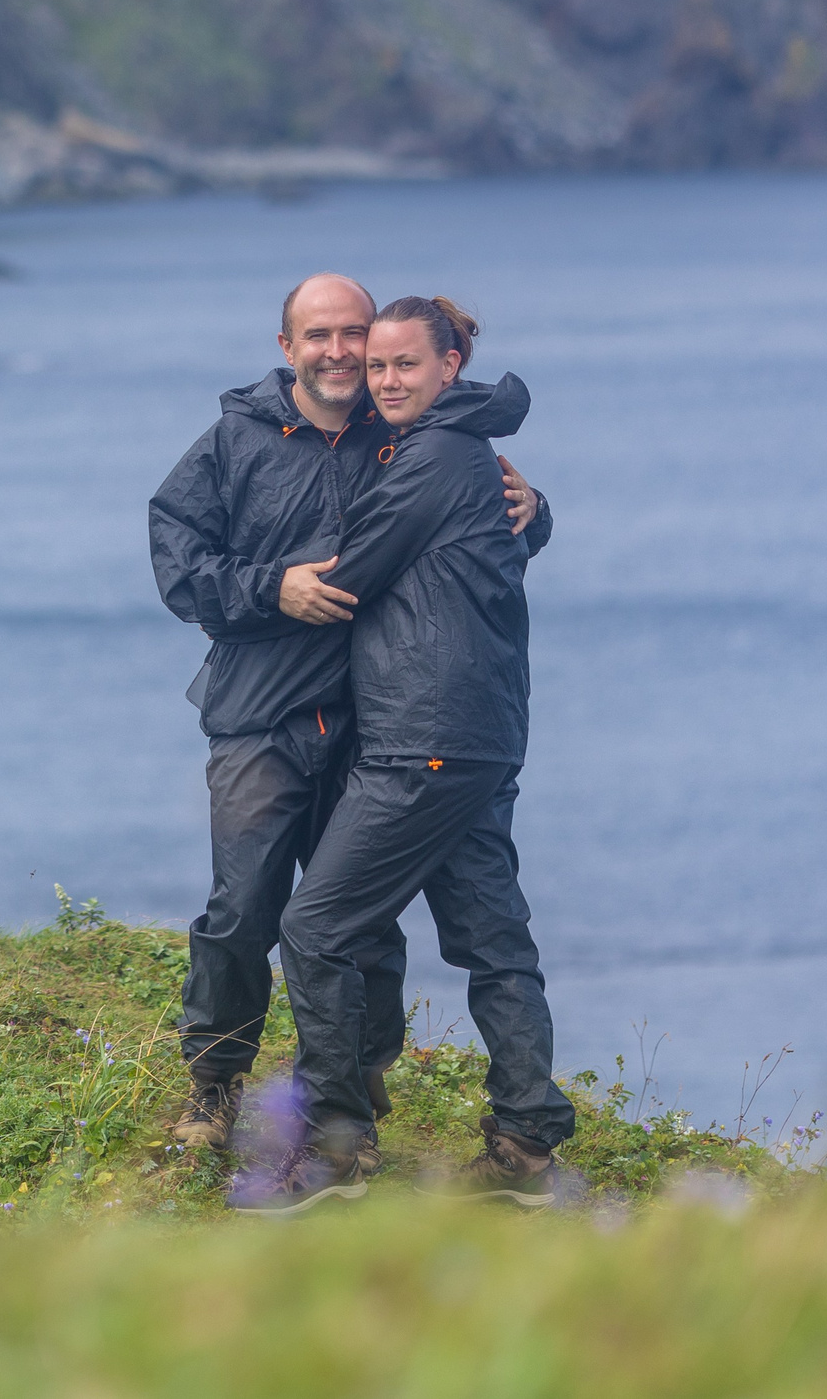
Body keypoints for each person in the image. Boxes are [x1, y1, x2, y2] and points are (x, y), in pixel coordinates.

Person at [149, 276, 537, 1152]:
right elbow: (178, 566)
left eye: (352, 336)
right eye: (318, 335)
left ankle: (355, 1085)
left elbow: (476, 540)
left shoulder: (404, 431)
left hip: (373, 718)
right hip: (259, 715)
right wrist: (270, 588)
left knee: (358, 919)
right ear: (286, 345)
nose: (340, 353)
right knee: (242, 907)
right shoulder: (230, 442)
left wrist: (537, 511)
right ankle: (214, 1087)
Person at [232, 296, 575, 1216]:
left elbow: (349, 575)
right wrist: (535, 511)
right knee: (492, 938)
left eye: (403, 366)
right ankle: (525, 1146)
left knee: (315, 928)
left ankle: (335, 1149)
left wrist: (266, 583)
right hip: (476, 733)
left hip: (423, 737)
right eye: (376, 367)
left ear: (450, 364)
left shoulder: (435, 453)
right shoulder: (460, 452)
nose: (383, 380)